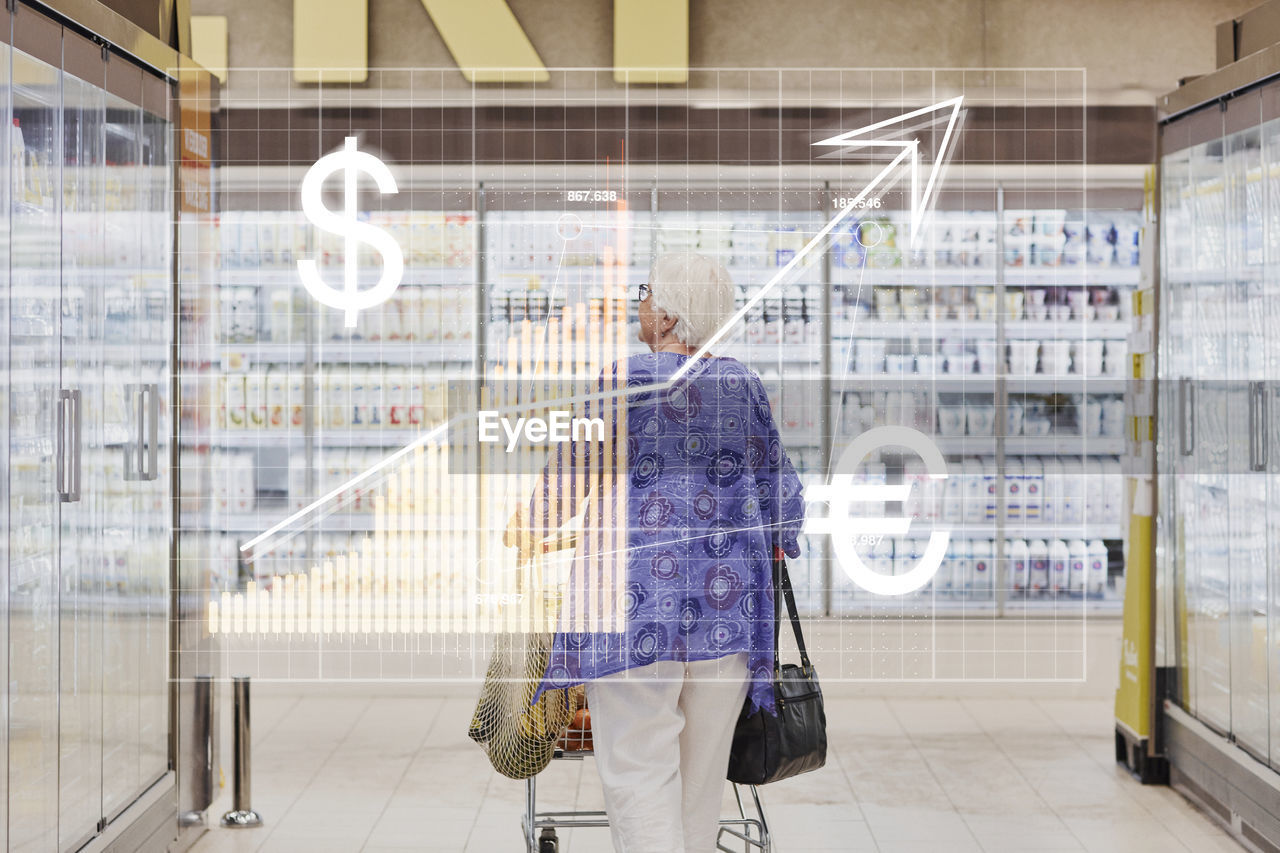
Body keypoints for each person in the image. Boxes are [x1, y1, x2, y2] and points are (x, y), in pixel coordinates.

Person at [518, 251, 805, 853]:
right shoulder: (742, 386)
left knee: (637, 768)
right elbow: (783, 498)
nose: (639, 302)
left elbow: (572, 473)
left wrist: (527, 528)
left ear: (671, 315)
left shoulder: (623, 379)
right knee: (700, 786)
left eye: (647, 291)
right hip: (726, 618)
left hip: (633, 606)